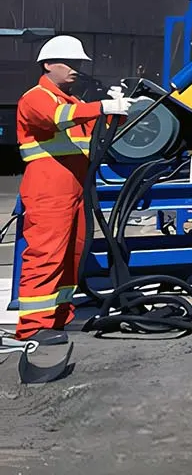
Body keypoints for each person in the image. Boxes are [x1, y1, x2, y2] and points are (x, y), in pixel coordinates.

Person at [12, 36, 131, 352]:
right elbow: (55, 119)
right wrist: (102, 106)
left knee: (71, 256)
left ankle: (58, 318)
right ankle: (33, 327)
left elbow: (96, 132)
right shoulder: (36, 98)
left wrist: (116, 111)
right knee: (46, 255)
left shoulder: (73, 102)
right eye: (70, 62)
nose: (76, 69)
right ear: (49, 64)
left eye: (78, 63)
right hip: (48, 189)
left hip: (73, 189)